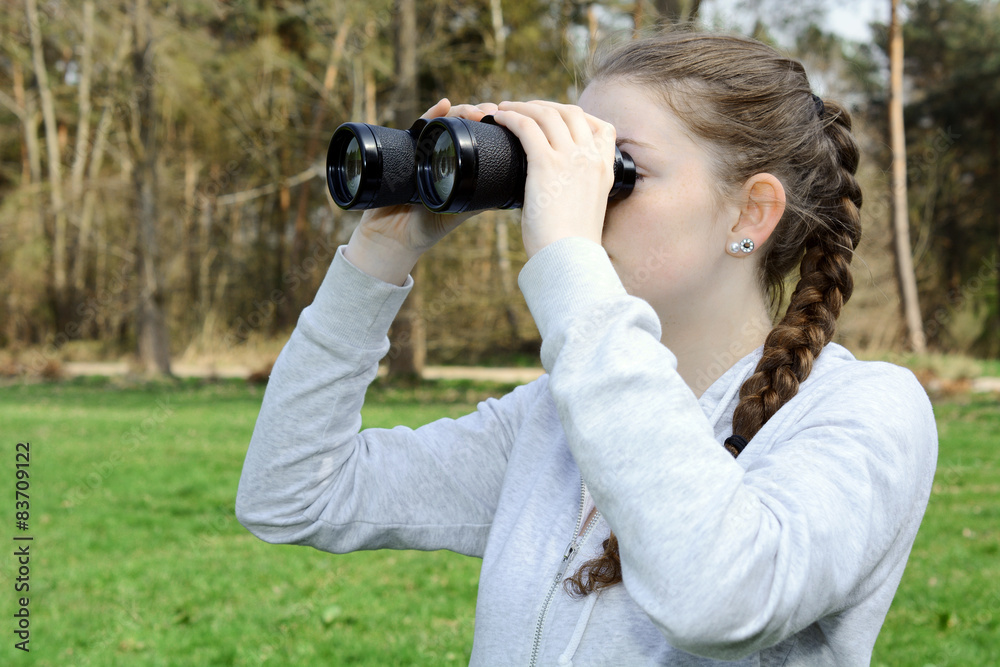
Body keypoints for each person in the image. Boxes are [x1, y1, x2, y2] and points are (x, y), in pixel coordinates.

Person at [236, 31, 937, 666]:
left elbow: (717, 597)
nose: (571, 192)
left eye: (617, 169)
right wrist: (377, 259)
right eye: (573, 166)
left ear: (751, 212)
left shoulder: (866, 411)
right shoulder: (550, 422)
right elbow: (295, 493)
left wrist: (570, 259)